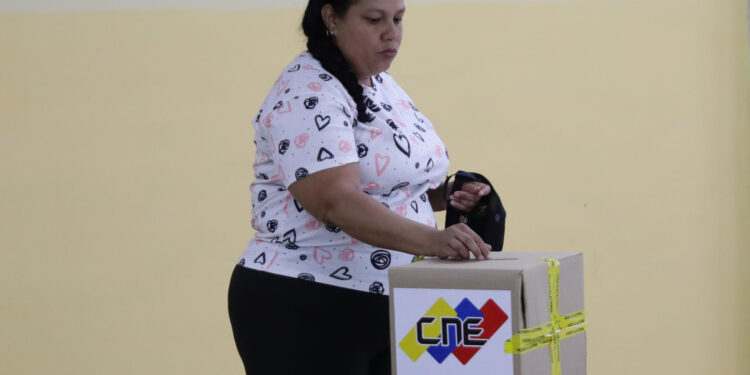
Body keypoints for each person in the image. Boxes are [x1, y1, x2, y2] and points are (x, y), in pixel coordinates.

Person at [227, 0, 492, 373]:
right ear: (331, 17)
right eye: (373, 20)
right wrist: (433, 242)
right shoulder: (308, 91)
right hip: (306, 303)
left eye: (398, 19)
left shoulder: (382, 84)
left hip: (393, 300)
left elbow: (393, 188)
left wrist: (448, 195)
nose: (391, 33)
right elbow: (336, 203)